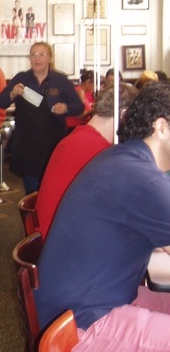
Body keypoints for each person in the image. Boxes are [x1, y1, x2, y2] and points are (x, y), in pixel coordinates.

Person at [35, 81, 170, 352]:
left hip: (75, 309)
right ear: (162, 126)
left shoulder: (126, 158)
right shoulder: (141, 178)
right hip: (78, 327)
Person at [36, 82, 138, 240]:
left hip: (53, 233)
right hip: (60, 241)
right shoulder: (99, 151)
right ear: (123, 115)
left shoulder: (80, 137)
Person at [0, 41, 84, 194]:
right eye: (34, 54)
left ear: (49, 58)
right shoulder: (21, 79)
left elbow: (79, 107)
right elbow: (0, 102)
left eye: (42, 55)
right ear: (30, 58)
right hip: (27, 144)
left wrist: (66, 108)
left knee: (51, 188)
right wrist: (12, 94)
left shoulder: (60, 80)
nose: (38, 58)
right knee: (32, 191)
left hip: (53, 144)